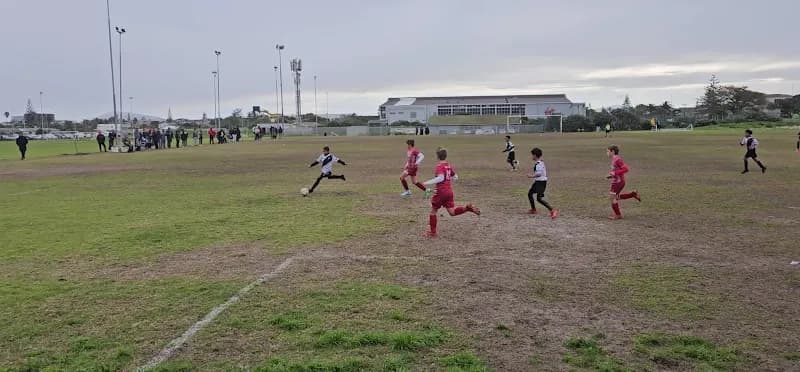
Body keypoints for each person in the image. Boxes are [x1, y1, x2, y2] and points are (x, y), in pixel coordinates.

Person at [422, 147, 480, 238]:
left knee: (433, 211)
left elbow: (440, 178)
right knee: (452, 212)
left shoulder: (439, 166)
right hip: (449, 191)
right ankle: (467, 208)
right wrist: (448, 181)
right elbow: (456, 177)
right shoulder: (448, 166)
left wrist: (426, 182)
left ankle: (433, 233)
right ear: (445, 156)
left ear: (437, 157)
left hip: (441, 192)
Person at [606, 145, 640, 220]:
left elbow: (626, 169)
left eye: (608, 151)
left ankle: (618, 215)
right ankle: (633, 194)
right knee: (615, 197)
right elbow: (617, 171)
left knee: (612, 198)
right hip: (616, 181)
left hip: (618, 182)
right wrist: (611, 176)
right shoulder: (614, 159)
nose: (607, 153)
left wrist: (614, 173)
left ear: (613, 151)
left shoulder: (617, 159)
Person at [527, 148, 558, 219]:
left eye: (532, 155)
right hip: (538, 182)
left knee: (539, 199)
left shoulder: (538, 164)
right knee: (530, 193)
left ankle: (553, 210)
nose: (531, 157)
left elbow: (539, 174)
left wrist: (531, 176)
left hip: (541, 183)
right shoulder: (540, 162)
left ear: (535, 155)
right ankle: (533, 209)